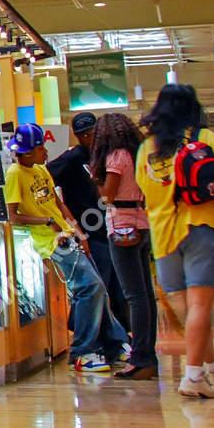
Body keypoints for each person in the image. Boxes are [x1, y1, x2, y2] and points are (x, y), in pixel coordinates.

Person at [135, 83, 214, 398]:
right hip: (202, 227)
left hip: (163, 237)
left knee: (190, 313)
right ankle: (192, 377)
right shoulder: (204, 139)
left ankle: (213, 369)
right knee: (201, 307)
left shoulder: (147, 148)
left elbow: (143, 190)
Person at [5, 123, 128, 373]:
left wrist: (77, 231)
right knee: (90, 288)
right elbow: (13, 216)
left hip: (67, 236)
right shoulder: (15, 174)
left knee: (98, 289)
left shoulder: (41, 170)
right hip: (48, 241)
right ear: (30, 151)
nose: (45, 152)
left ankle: (115, 344)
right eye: (41, 148)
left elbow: (58, 204)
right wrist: (48, 222)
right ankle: (83, 351)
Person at [91, 112, 158, 379]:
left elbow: (107, 195)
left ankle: (141, 357)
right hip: (142, 224)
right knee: (145, 295)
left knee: (135, 296)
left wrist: (95, 179)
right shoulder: (138, 154)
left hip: (121, 227)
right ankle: (147, 354)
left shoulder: (116, 156)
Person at [49, 112, 129, 332]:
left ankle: (120, 338)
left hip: (112, 229)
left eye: (93, 133)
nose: (90, 138)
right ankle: (85, 335)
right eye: (84, 135)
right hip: (89, 235)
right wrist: (68, 222)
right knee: (96, 287)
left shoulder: (108, 156)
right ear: (77, 136)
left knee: (118, 288)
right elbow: (43, 181)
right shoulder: (71, 159)